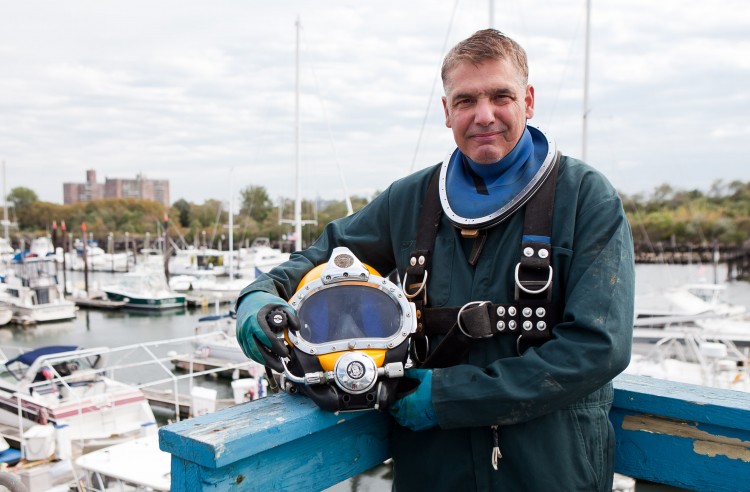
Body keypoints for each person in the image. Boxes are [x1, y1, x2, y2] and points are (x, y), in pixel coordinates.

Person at [237, 28, 634, 491]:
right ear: (447, 112)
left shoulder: (586, 198)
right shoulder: (412, 200)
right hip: (431, 469)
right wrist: (260, 294)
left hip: (552, 469)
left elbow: (599, 347)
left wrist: (449, 398)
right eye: (466, 101)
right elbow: (323, 254)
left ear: (528, 99)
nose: (484, 115)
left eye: (500, 96)